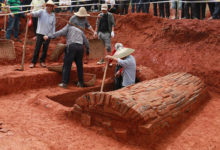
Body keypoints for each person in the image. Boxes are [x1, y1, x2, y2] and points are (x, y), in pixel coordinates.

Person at [44, 23, 90, 88]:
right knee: (79, 66)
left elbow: (59, 33)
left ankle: (64, 83)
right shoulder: (80, 31)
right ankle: (81, 83)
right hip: (80, 48)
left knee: (67, 65)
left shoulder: (68, 28)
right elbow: (86, 42)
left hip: (71, 46)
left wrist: (49, 36)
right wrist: (88, 50)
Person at [27, 0, 56, 68]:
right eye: (48, 6)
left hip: (48, 34)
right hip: (40, 33)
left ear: (52, 7)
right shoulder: (41, 11)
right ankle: (33, 62)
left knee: (45, 49)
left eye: (51, 6)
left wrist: (52, 35)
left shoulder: (53, 15)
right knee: (37, 48)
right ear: (46, 6)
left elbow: (53, 26)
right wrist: (30, 14)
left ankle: (42, 61)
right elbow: (35, 13)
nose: (49, 7)